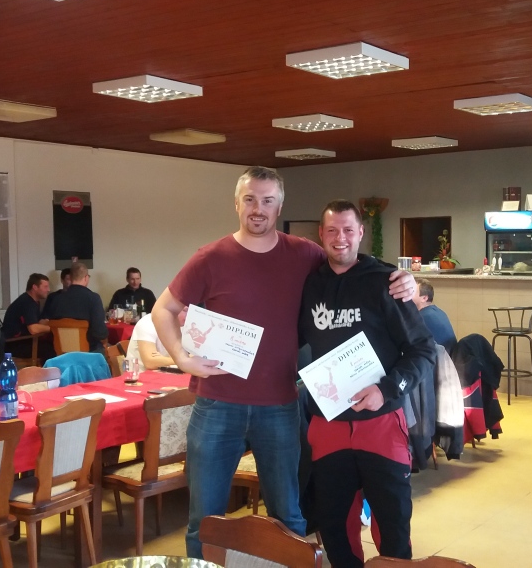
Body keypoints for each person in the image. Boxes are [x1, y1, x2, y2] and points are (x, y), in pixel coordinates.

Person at [150, 166, 416, 558]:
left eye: (268, 201)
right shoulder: (210, 257)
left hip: (279, 407)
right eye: (250, 199)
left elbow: (347, 256)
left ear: (279, 207)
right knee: (203, 521)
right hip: (216, 405)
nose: (258, 208)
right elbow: (163, 309)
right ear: (237, 204)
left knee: (287, 517)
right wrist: (182, 358)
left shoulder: (304, 254)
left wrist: (401, 278)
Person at [299, 200, 435, 568]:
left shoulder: (386, 282)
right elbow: (286, 337)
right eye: (331, 230)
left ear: (361, 233)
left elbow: (423, 350)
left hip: (382, 423)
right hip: (328, 424)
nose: (340, 238)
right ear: (321, 235)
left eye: (348, 230)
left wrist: (386, 390)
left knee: (392, 528)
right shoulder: (310, 285)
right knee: (335, 527)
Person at [44, 262, 108, 352]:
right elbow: (100, 333)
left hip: (62, 352)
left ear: (70, 278)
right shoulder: (93, 298)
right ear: (86, 278)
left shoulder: (56, 299)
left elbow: (51, 328)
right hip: (89, 351)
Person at [1, 273, 55, 360]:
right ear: (35, 287)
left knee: (50, 343)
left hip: (22, 341)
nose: (48, 290)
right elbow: (33, 329)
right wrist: (53, 328)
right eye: (45, 287)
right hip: (14, 345)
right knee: (50, 349)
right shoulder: (27, 303)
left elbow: (37, 322)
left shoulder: (32, 301)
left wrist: (53, 323)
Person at [413, 278, 457, 351]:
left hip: (440, 357)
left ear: (424, 298)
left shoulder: (423, 318)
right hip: (448, 356)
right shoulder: (438, 312)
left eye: (412, 292)